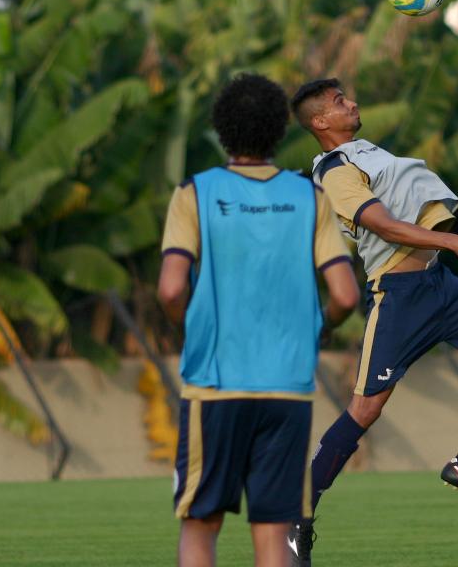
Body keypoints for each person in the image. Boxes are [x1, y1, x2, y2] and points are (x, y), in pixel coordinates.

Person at [286, 78, 458, 563]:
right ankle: (298, 517)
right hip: (399, 296)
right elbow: (382, 225)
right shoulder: (335, 171)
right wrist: (454, 240)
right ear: (319, 121)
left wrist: (444, 248)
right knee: (365, 411)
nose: (352, 102)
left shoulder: (363, 150)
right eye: (339, 101)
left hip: (438, 284)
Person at [157, 73, 359, 567]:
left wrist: (193, 328)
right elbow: (344, 295)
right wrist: (319, 327)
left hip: (215, 388)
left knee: (201, 526)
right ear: (279, 130)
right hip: (286, 391)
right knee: (273, 535)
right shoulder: (309, 196)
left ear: (222, 130)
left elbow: (170, 289)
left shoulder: (195, 192)